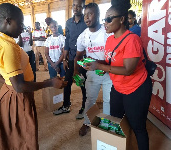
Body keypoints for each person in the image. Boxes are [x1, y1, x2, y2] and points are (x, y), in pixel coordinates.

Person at [0, 3, 67, 150]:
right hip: (18, 98)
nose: (22, 28)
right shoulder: (8, 47)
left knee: (15, 137)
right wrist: (50, 82)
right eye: (20, 24)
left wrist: (6, 81)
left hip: (9, 92)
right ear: (7, 20)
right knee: (25, 138)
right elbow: (19, 86)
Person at [84, 0, 152, 149]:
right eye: (105, 19)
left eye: (109, 19)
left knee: (137, 126)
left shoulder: (132, 39)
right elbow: (111, 62)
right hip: (118, 87)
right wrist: (95, 62)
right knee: (116, 121)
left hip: (136, 88)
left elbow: (129, 70)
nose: (105, 23)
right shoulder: (109, 40)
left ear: (121, 19)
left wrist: (101, 66)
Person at [74, 3, 112, 136]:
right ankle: (87, 122)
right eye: (85, 15)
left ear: (98, 15)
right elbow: (78, 56)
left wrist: (102, 64)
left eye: (90, 13)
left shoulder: (108, 33)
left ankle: (106, 125)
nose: (87, 17)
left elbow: (116, 55)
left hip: (109, 72)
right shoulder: (82, 36)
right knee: (89, 100)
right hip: (92, 74)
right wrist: (76, 70)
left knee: (108, 100)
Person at [53, 0, 87, 119]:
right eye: (74, 5)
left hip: (84, 60)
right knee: (67, 82)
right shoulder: (68, 22)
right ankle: (66, 105)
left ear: (83, 7)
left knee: (83, 84)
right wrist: (64, 59)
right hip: (72, 58)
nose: (76, 8)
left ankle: (84, 108)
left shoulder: (86, 21)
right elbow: (67, 40)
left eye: (78, 6)